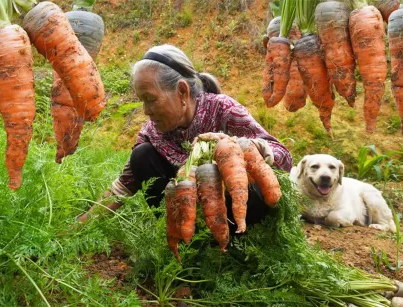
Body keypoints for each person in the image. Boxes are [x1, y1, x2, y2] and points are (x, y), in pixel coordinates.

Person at [77, 44, 292, 234]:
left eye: (151, 100)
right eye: (142, 101)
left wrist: (250, 148)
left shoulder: (223, 109)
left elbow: (284, 157)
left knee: (242, 180)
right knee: (141, 155)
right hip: (187, 215)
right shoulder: (152, 131)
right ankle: (184, 239)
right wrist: (77, 229)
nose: (145, 111)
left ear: (181, 91)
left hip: (235, 214)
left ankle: (237, 241)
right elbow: (122, 187)